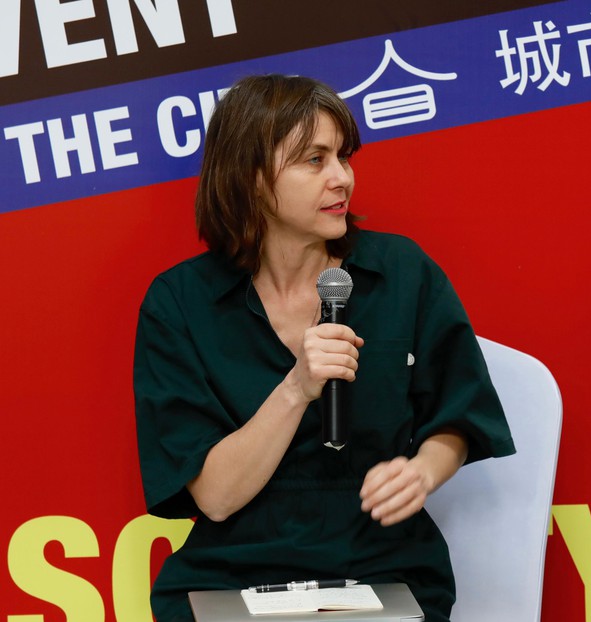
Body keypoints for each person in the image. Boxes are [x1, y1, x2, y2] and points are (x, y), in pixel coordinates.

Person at [133, 74, 515, 621]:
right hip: (235, 573)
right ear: (250, 177)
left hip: (383, 566)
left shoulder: (401, 273)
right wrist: (295, 388)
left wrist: (424, 470)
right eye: (314, 160)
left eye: (343, 156)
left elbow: (458, 416)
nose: (342, 179)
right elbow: (215, 497)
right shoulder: (180, 303)